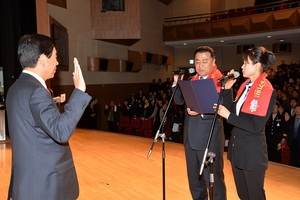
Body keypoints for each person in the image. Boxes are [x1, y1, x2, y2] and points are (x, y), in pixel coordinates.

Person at [6, 34, 92, 200]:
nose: (57, 63)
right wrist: (80, 91)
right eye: (55, 57)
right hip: (45, 185)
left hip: (27, 183)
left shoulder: (15, 88)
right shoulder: (37, 91)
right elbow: (61, 131)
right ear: (43, 59)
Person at [216, 46, 277, 200]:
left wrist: (228, 115)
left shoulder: (266, 90)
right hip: (238, 151)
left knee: (254, 196)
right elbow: (235, 113)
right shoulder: (246, 86)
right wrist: (226, 91)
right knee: (243, 195)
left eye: (245, 63)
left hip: (252, 154)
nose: (241, 67)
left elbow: (255, 126)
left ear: (257, 66)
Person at [173, 46, 226, 200]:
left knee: (213, 180)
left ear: (213, 61)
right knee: (194, 180)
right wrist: (177, 84)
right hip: (191, 137)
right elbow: (178, 100)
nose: (200, 65)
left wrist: (200, 110)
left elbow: (222, 106)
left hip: (209, 139)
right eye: (197, 62)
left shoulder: (220, 81)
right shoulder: (193, 79)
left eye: (204, 61)